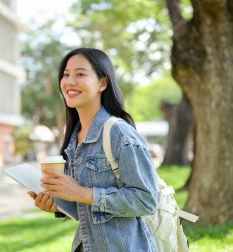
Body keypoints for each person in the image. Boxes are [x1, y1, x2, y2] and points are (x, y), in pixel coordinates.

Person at [28, 48, 158, 252]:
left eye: (80, 74)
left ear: (102, 83)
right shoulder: (74, 138)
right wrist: (58, 201)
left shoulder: (119, 134)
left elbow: (146, 200)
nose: (69, 81)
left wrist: (81, 193)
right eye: (66, 74)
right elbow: (85, 209)